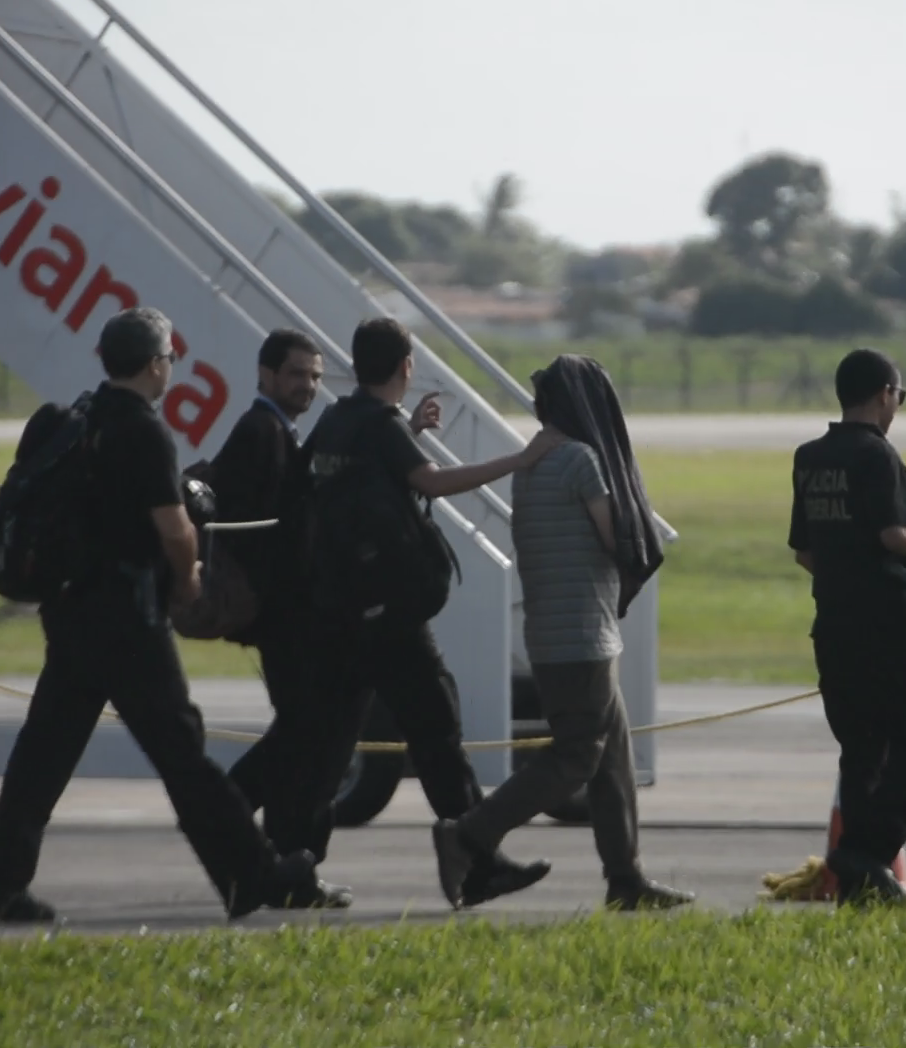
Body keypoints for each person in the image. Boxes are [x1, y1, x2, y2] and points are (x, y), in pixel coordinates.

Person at [0, 308, 343, 924]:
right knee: (183, 755)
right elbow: (174, 529)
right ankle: (254, 874)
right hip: (126, 619)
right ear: (154, 365)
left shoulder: (77, 420)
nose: (171, 367)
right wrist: (190, 579)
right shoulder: (142, 431)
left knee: (45, 751)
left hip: (69, 613)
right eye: (169, 358)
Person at [298, 316, 561, 907]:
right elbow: (432, 483)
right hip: (389, 615)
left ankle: (295, 861)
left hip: (339, 607)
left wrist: (409, 431)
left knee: (332, 739)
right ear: (406, 368)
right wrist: (520, 460)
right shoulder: (381, 426)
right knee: (438, 731)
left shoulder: (338, 419)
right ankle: (478, 860)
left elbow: (329, 482)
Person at [432, 355, 695, 912]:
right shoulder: (579, 460)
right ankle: (469, 833)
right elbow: (613, 536)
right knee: (577, 757)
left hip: (556, 633)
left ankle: (626, 879)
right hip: (583, 637)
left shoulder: (532, 463)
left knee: (613, 760)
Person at [786, 348, 906, 906]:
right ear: (885, 392)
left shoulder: (810, 457)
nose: (898, 407)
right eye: (899, 397)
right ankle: (868, 849)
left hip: (834, 626)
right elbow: (894, 535)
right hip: (887, 625)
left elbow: (805, 553)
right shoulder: (878, 456)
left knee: (863, 747)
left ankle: (864, 881)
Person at [200, 329, 335, 858]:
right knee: (303, 729)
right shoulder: (260, 431)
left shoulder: (280, 431)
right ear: (266, 375)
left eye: (316, 377)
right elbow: (255, 527)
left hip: (285, 614)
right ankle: (229, 815)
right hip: (280, 615)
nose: (308, 386)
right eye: (298, 374)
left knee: (300, 730)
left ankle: (272, 844)